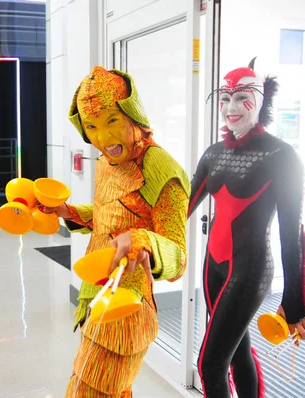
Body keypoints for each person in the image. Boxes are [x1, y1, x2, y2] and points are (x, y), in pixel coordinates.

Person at [45, 66, 190, 397]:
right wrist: (67, 212)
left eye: (112, 121)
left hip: (128, 306)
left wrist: (144, 240)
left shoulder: (162, 170)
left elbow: (178, 259)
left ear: (132, 115)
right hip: (95, 293)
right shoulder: (106, 160)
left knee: (89, 391)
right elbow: (108, 218)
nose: (104, 139)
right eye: (92, 127)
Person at [188, 58, 305, 397]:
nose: (231, 107)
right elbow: (179, 209)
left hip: (251, 268)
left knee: (209, 364)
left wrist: (294, 298)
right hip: (213, 266)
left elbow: (293, 234)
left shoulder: (282, 155)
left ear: (262, 99)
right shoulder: (213, 154)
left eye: (242, 96)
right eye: (225, 97)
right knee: (236, 353)